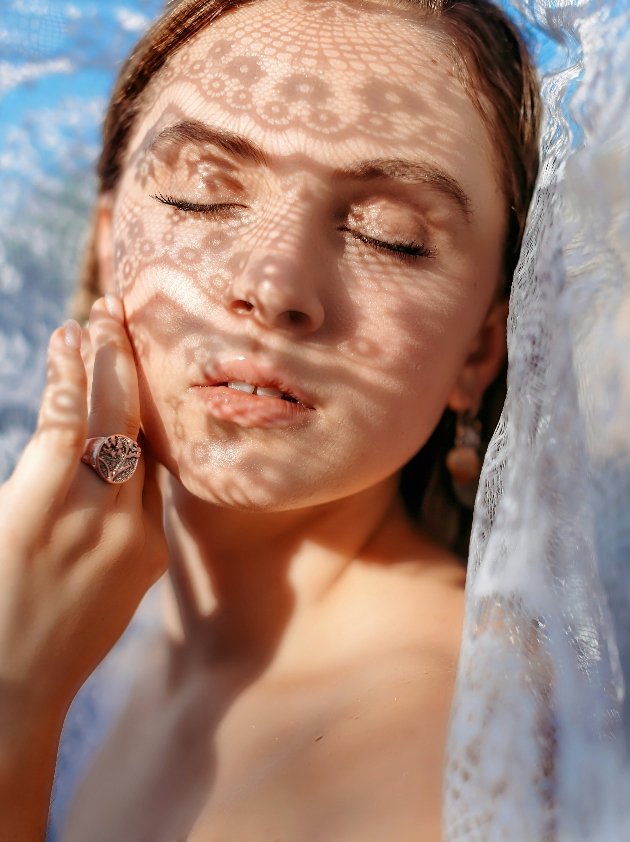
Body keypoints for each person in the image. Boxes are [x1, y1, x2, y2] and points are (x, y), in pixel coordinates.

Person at [0, 0, 540, 839]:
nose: (276, 283)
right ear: (109, 245)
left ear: (480, 350)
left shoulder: (438, 756)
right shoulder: (114, 619)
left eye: (388, 235)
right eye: (203, 194)